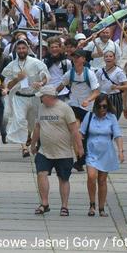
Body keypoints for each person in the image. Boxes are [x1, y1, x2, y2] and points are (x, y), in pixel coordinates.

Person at [30, 85, 83, 217]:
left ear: (49, 97)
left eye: (42, 97)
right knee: (41, 174)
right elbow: (37, 127)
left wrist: (80, 148)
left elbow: (74, 130)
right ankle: (44, 203)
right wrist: (32, 144)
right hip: (45, 150)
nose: (41, 99)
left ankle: (64, 206)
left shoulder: (65, 108)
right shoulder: (41, 108)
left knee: (63, 179)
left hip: (63, 152)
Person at [2, 39, 50, 157]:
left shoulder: (36, 62)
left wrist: (41, 84)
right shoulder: (11, 65)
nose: (21, 50)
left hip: (33, 96)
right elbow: (7, 85)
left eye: (23, 48)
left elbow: (46, 76)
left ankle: (28, 135)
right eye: (19, 48)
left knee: (32, 123)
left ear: (27, 49)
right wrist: (17, 79)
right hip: (19, 97)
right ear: (16, 50)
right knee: (19, 121)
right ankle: (24, 148)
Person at [80, 95, 124, 217]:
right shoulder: (89, 116)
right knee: (91, 176)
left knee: (102, 180)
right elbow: (81, 133)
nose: (102, 109)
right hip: (91, 151)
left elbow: (117, 135)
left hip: (106, 152)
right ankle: (92, 204)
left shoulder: (111, 118)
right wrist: (78, 147)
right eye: (99, 106)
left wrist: (120, 151)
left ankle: (101, 208)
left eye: (104, 106)